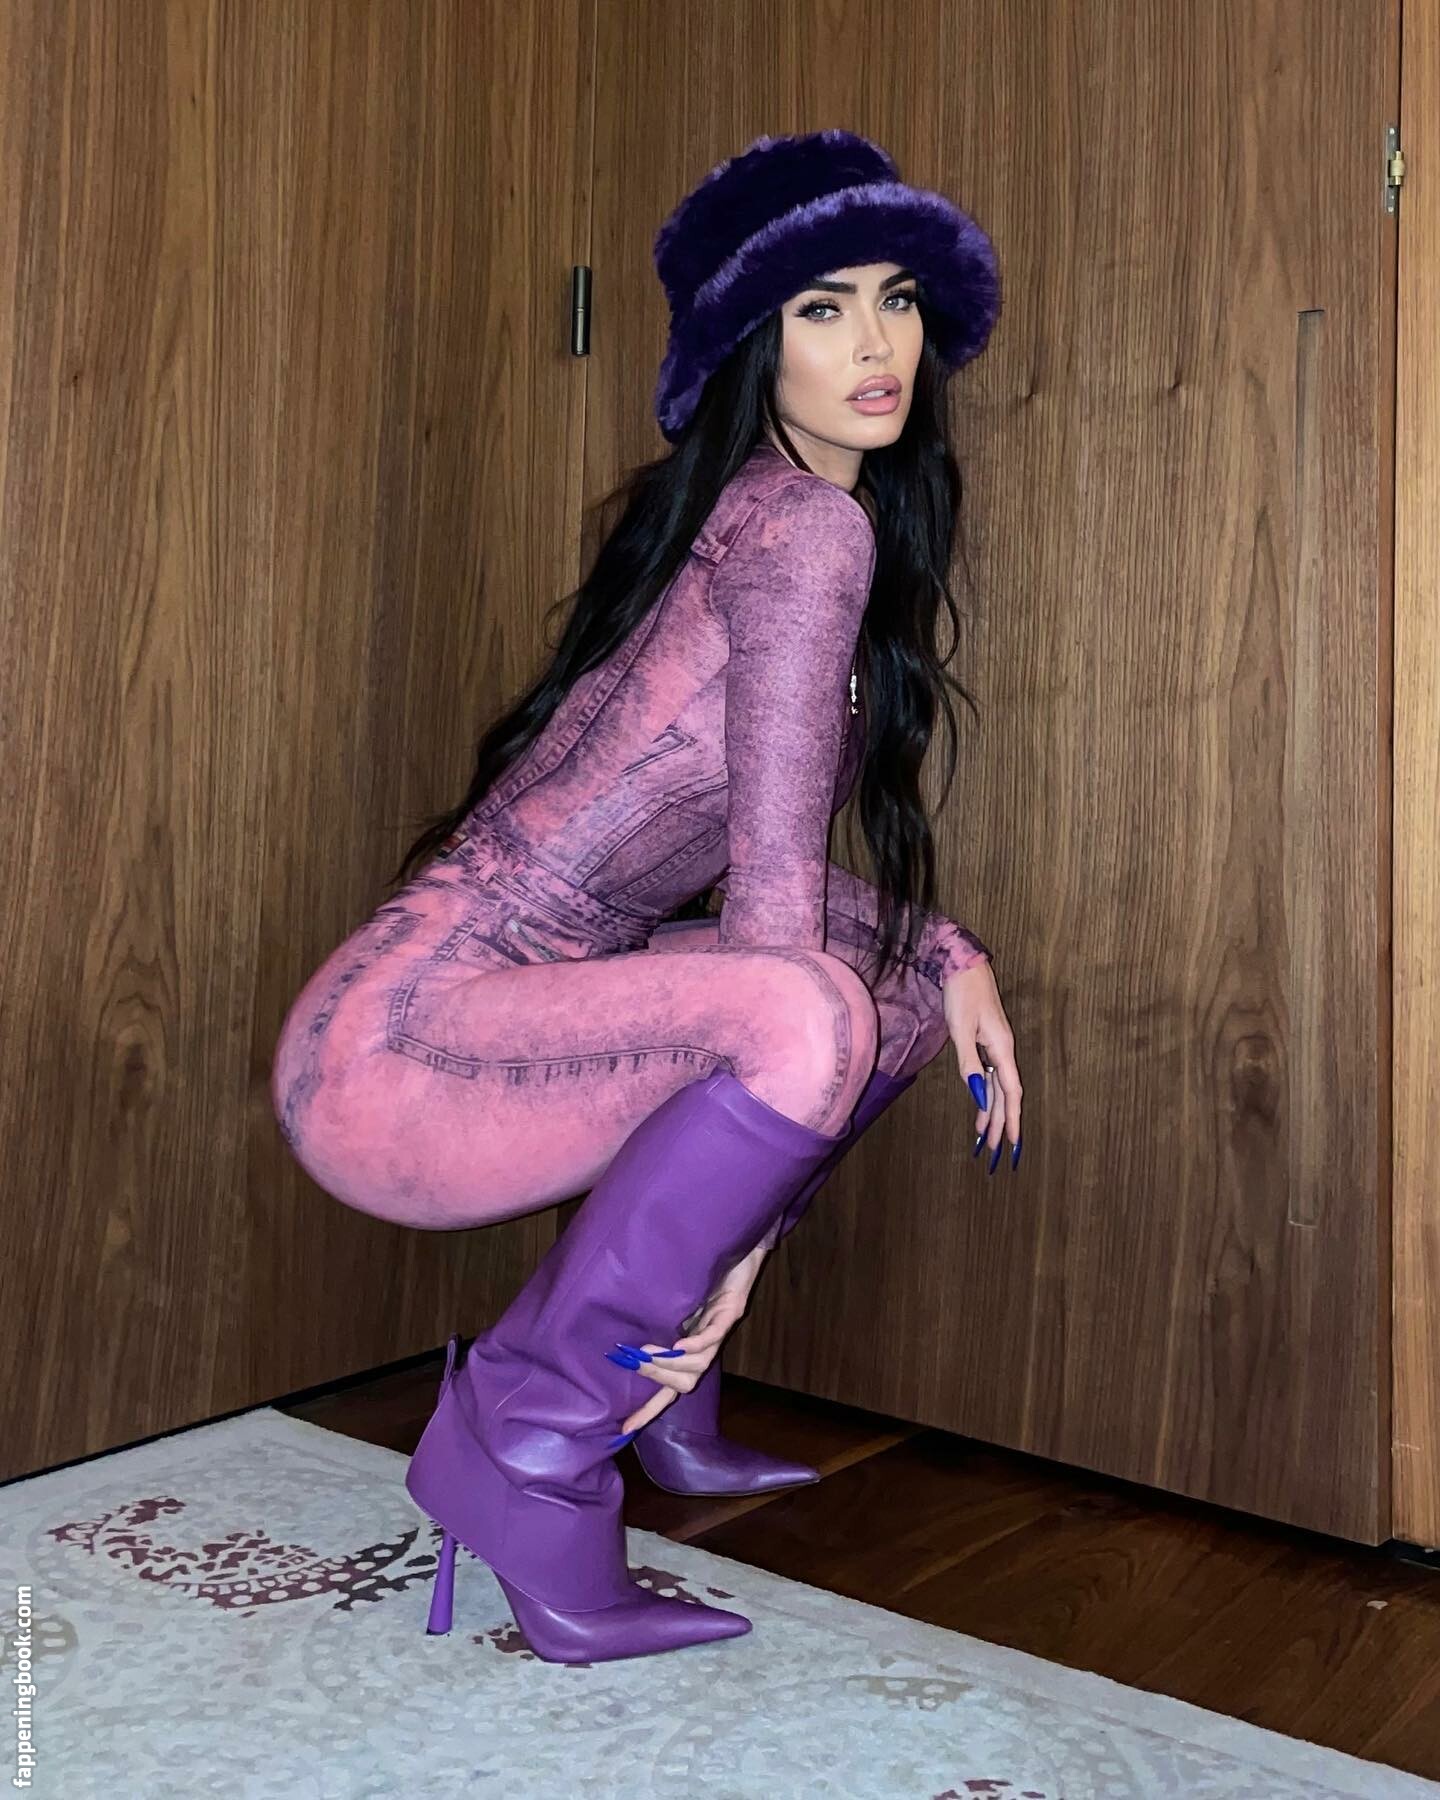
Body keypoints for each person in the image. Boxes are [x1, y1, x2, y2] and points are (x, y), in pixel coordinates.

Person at [269, 128, 1023, 1665]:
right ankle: (529, 1447)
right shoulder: (800, 527)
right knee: (812, 1010)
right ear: (753, 342)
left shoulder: (783, 514)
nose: (876, 345)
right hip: (402, 1047)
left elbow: (757, 875)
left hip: (497, 1013)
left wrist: (948, 957)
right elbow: (768, 918)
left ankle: (660, 1406)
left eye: (894, 300)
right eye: (821, 309)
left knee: (877, 1001)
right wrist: (735, 1259)